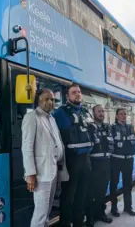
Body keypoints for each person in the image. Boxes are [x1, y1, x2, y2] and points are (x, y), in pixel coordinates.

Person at [21, 89, 69, 227]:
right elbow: (27, 147)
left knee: (47, 211)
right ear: (39, 100)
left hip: (52, 171)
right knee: (41, 213)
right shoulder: (32, 117)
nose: (50, 102)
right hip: (40, 174)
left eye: (53, 100)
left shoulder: (52, 118)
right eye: (47, 99)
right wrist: (30, 173)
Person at [53, 84, 94, 227]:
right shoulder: (60, 113)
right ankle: (65, 223)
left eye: (79, 92)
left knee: (82, 195)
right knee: (68, 196)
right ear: (67, 96)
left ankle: (78, 222)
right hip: (71, 160)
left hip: (86, 160)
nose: (77, 94)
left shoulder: (85, 112)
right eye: (74, 92)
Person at [85, 105, 114, 226]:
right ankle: (90, 218)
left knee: (102, 192)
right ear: (93, 113)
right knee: (91, 192)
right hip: (94, 164)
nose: (101, 113)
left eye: (103, 111)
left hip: (106, 163)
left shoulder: (108, 127)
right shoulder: (89, 127)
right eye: (99, 111)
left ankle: (101, 213)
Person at [109, 108, 135, 217]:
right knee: (114, 184)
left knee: (128, 185)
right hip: (116, 159)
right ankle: (114, 208)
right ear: (116, 116)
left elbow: (133, 141)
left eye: (125, 114)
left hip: (128, 160)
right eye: (121, 114)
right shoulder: (112, 128)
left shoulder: (130, 127)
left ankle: (128, 207)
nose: (123, 116)